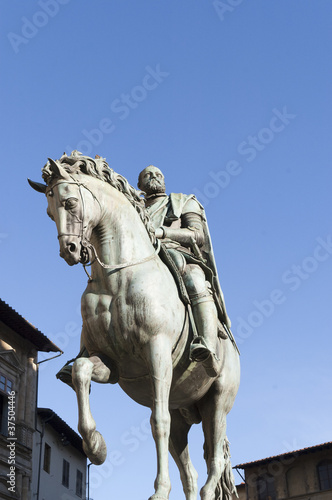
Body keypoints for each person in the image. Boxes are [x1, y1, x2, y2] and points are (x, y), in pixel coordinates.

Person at [138, 165, 232, 376]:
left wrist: (162, 232)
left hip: (179, 255)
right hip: (143, 258)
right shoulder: (134, 209)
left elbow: (196, 234)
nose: (154, 177)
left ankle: (207, 345)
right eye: (148, 175)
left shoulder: (183, 201)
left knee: (195, 279)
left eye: (158, 174)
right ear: (139, 185)